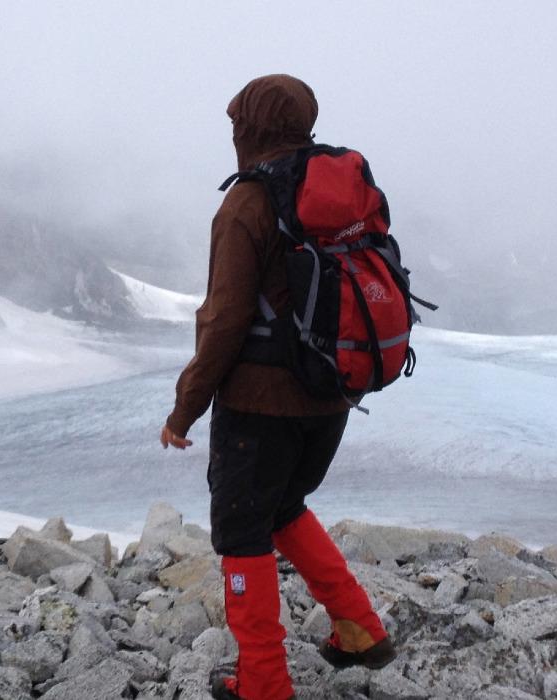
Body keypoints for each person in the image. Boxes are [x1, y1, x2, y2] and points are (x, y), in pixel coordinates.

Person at [160, 73, 395, 700]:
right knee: (284, 505)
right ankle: (361, 630)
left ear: (251, 127)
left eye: (238, 122)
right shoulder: (341, 189)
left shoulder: (248, 203)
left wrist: (185, 409)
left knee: (242, 530)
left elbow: (224, 319)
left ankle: (262, 682)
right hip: (332, 392)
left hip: (259, 406)